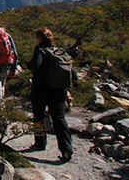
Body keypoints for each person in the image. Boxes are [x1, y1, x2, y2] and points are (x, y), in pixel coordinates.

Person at [27, 27, 74, 162]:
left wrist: (29, 64)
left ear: (40, 38)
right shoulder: (59, 51)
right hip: (59, 89)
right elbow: (72, 72)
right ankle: (66, 147)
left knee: (39, 115)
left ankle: (40, 143)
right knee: (59, 117)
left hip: (41, 88)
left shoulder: (40, 50)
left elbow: (36, 65)